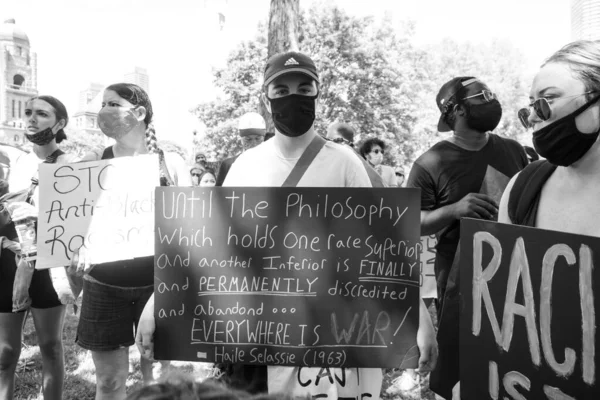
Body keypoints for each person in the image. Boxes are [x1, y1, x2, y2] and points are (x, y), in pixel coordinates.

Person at [136, 50, 437, 399]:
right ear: (267, 98)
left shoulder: (345, 164)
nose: (293, 96)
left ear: (317, 93)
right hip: (251, 336)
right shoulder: (246, 165)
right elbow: (210, 247)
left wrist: (419, 318)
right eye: (281, 90)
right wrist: (157, 301)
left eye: (304, 88)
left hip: (322, 337)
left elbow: (380, 248)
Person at [406, 77, 528, 399]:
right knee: (465, 352)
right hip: (458, 278)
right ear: (457, 110)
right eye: (482, 97)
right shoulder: (429, 163)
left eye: (491, 94)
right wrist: (455, 210)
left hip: (516, 271)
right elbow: (410, 224)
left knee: (514, 347)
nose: (491, 100)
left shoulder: (514, 150)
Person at [70, 83, 190, 400]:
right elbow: (73, 223)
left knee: (159, 381)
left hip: (158, 287)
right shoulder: (93, 161)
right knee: (109, 382)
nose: (103, 111)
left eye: (113, 104)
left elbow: (191, 229)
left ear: (138, 113)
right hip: (103, 285)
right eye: (102, 104)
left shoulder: (171, 163)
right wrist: (76, 242)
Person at [0, 95, 74, 400]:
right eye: (28, 112)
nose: (31, 118)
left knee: (50, 346)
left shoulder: (73, 167)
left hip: (49, 262)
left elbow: (75, 224)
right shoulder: (13, 163)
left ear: (60, 123)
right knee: (4, 352)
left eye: (41, 114)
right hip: (8, 261)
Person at [215, 112, 266, 186]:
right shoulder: (228, 165)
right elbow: (218, 195)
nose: (254, 144)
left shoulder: (273, 163)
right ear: (241, 139)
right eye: (248, 139)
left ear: (263, 138)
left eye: (257, 139)